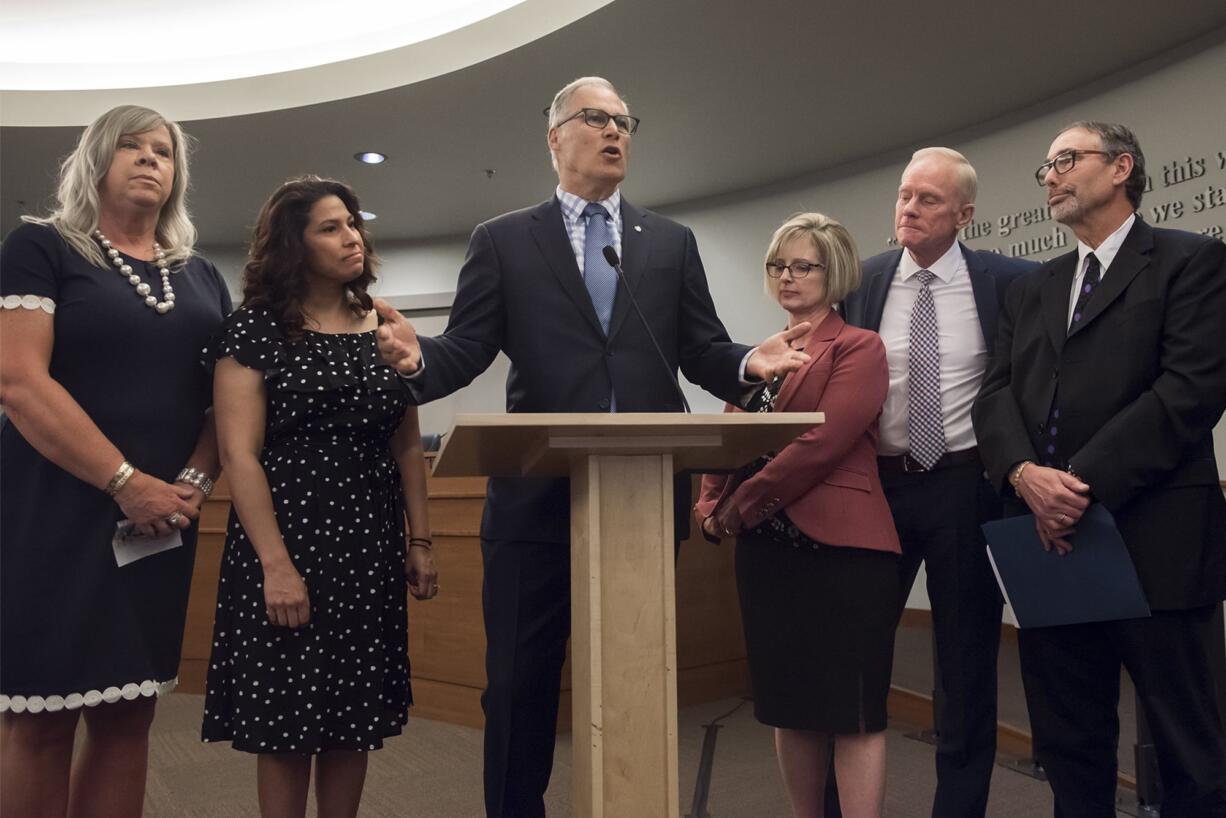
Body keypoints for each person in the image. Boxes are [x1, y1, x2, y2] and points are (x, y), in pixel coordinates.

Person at [372, 76, 810, 818]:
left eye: (624, 121)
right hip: (534, 495)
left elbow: (699, 347)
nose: (615, 131)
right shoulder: (504, 239)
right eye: (596, 118)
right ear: (555, 137)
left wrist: (745, 362)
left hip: (642, 491)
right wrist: (417, 359)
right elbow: (469, 349)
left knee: (635, 667)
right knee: (519, 677)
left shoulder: (669, 242)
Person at [973, 121, 1226, 817]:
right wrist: (1024, 474)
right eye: (1045, 168)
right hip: (1049, 545)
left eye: (1064, 160)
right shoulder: (1032, 289)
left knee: (1189, 749)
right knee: (1068, 741)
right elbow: (994, 395)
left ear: (1121, 168)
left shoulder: (1190, 261)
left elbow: (1189, 391)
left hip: (1156, 540)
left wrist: (1074, 485)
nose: (1050, 176)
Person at [0, 105, 231, 818]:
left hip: (162, 522)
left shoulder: (201, 277)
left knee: (130, 710)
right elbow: (17, 380)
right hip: (51, 512)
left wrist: (190, 483)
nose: (149, 159)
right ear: (95, 162)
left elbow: (226, 401)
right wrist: (125, 482)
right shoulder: (43, 247)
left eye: (162, 150)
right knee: (39, 716)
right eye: (130, 147)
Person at [200, 177, 437, 818]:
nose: (351, 237)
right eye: (330, 227)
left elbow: (407, 444)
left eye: (353, 223)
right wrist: (276, 566)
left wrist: (420, 540)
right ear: (292, 246)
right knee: (286, 724)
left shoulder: (384, 325)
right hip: (287, 543)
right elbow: (238, 453)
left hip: (368, 547)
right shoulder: (253, 328)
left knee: (353, 719)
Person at [841, 147, 1036, 816]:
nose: (909, 208)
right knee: (857, 653)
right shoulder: (861, 281)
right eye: (904, 195)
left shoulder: (1009, 282)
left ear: (964, 213)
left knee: (966, 666)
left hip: (964, 487)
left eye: (928, 198)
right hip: (878, 489)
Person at [695, 213, 899, 818]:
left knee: (854, 714)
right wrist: (709, 504)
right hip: (768, 555)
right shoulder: (760, 356)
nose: (786, 276)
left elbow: (822, 443)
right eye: (778, 265)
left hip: (845, 555)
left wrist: (736, 509)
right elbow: (725, 443)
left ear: (832, 272)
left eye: (801, 265)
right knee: (788, 706)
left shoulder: (860, 347)